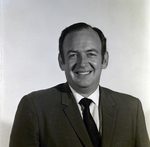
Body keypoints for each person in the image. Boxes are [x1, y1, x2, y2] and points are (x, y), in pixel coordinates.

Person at [9, 22, 150, 147]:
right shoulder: (35, 107)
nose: (82, 63)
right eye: (73, 55)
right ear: (61, 61)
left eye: (91, 54)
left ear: (105, 60)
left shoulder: (131, 108)